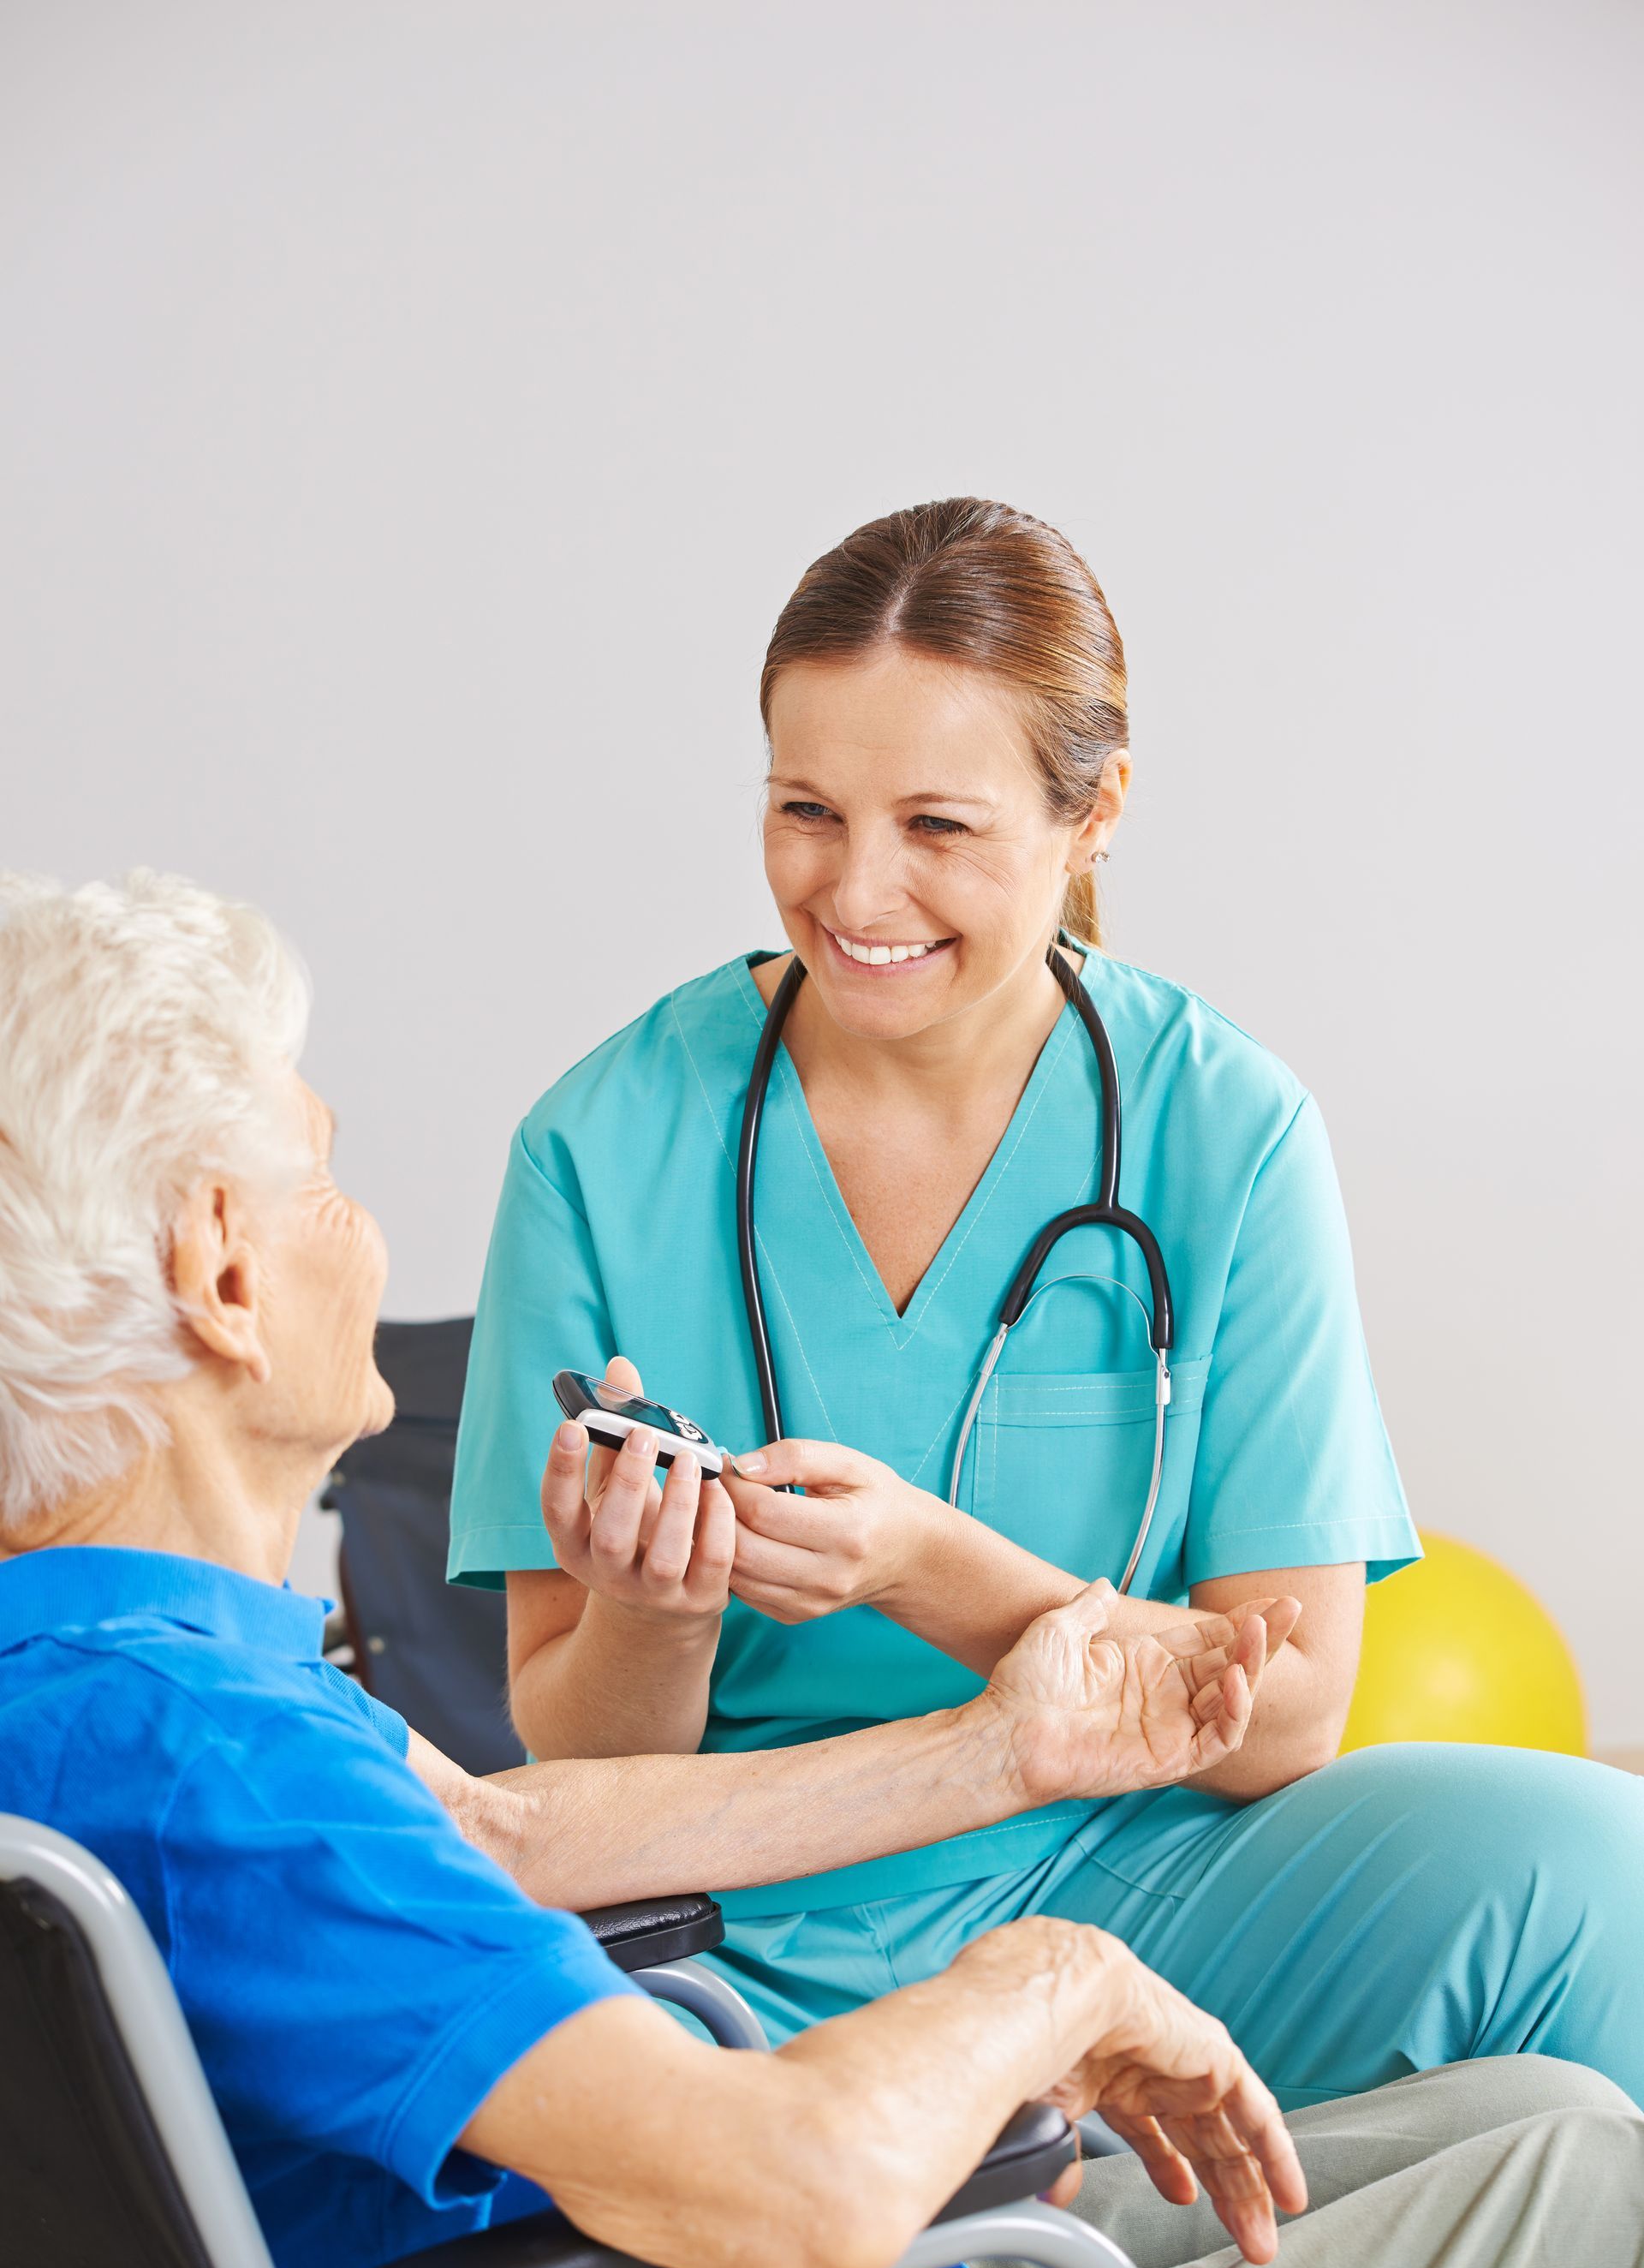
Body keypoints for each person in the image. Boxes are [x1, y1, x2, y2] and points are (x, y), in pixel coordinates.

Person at [4, 872, 1643, 2268]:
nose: (358, 1233)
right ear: (225, 1273)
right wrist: (1043, 1984)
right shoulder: (217, 1764)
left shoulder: (119, 1682)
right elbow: (792, 2182)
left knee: (1550, 2108)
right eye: (322, 1175)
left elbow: (504, 1833)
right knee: (1609, 2202)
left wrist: (1008, 1748)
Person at [448, 495, 1644, 2089]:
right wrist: (659, 1612)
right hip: (736, 1925)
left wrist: (927, 1563)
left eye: (937, 827)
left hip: (1140, 1874)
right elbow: (574, 1772)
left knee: (1599, 1865)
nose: (857, 894)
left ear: (1096, 813)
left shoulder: (1224, 1124)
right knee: (523, 2077)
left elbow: (1283, 1714)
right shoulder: (600, 1144)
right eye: (808, 810)